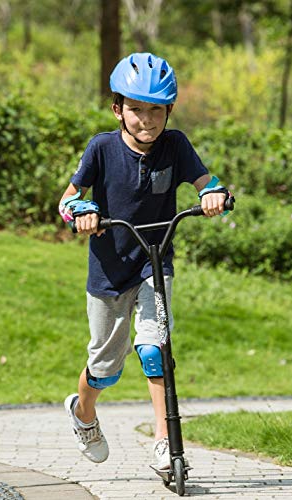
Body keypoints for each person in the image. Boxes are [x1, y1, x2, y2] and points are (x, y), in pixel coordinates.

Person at [59, 52, 231, 469]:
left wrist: (214, 196)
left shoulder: (176, 146)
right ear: (118, 109)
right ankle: (83, 415)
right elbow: (68, 199)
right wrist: (81, 213)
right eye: (136, 109)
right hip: (109, 271)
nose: (146, 120)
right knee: (105, 367)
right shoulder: (101, 148)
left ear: (169, 110)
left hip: (155, 263)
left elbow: (210, 183)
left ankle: (165, 444)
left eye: (156, 110)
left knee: (155, 349)